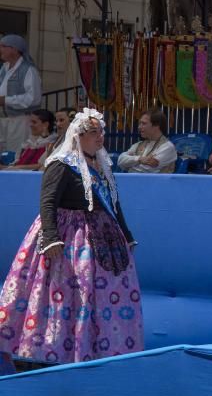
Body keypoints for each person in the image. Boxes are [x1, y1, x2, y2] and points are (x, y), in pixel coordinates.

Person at [0, 108, 142, 376]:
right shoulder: (62, 163)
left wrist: (126, 234)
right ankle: (45, 350)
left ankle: (98, 348)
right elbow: (48, 202)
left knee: (98, 295)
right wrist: (51, 239)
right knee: (61, 294)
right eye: (93, 132)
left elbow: (113, 203)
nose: (100, 137)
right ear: (78, 136)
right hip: (69, 237)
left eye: (101, 132)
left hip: (102, 239)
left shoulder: (102, 165)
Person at [0, 34, 42, 154]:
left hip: (20, 121)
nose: (0, 49)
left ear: (14, 49)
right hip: (4, 120)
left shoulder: (29, 70)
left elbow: (33, 98)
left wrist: (5, 100)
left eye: (3, 46)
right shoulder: (4, 68)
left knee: (15, 153)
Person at [117, 109, 177, 174]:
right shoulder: (139, 144)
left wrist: (130, 163)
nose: (139, 127)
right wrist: (139, 159)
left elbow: (144, 170)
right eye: (140, 123)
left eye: (143, 123)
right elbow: (120, 161)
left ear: (156, 125)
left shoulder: (167, 147)